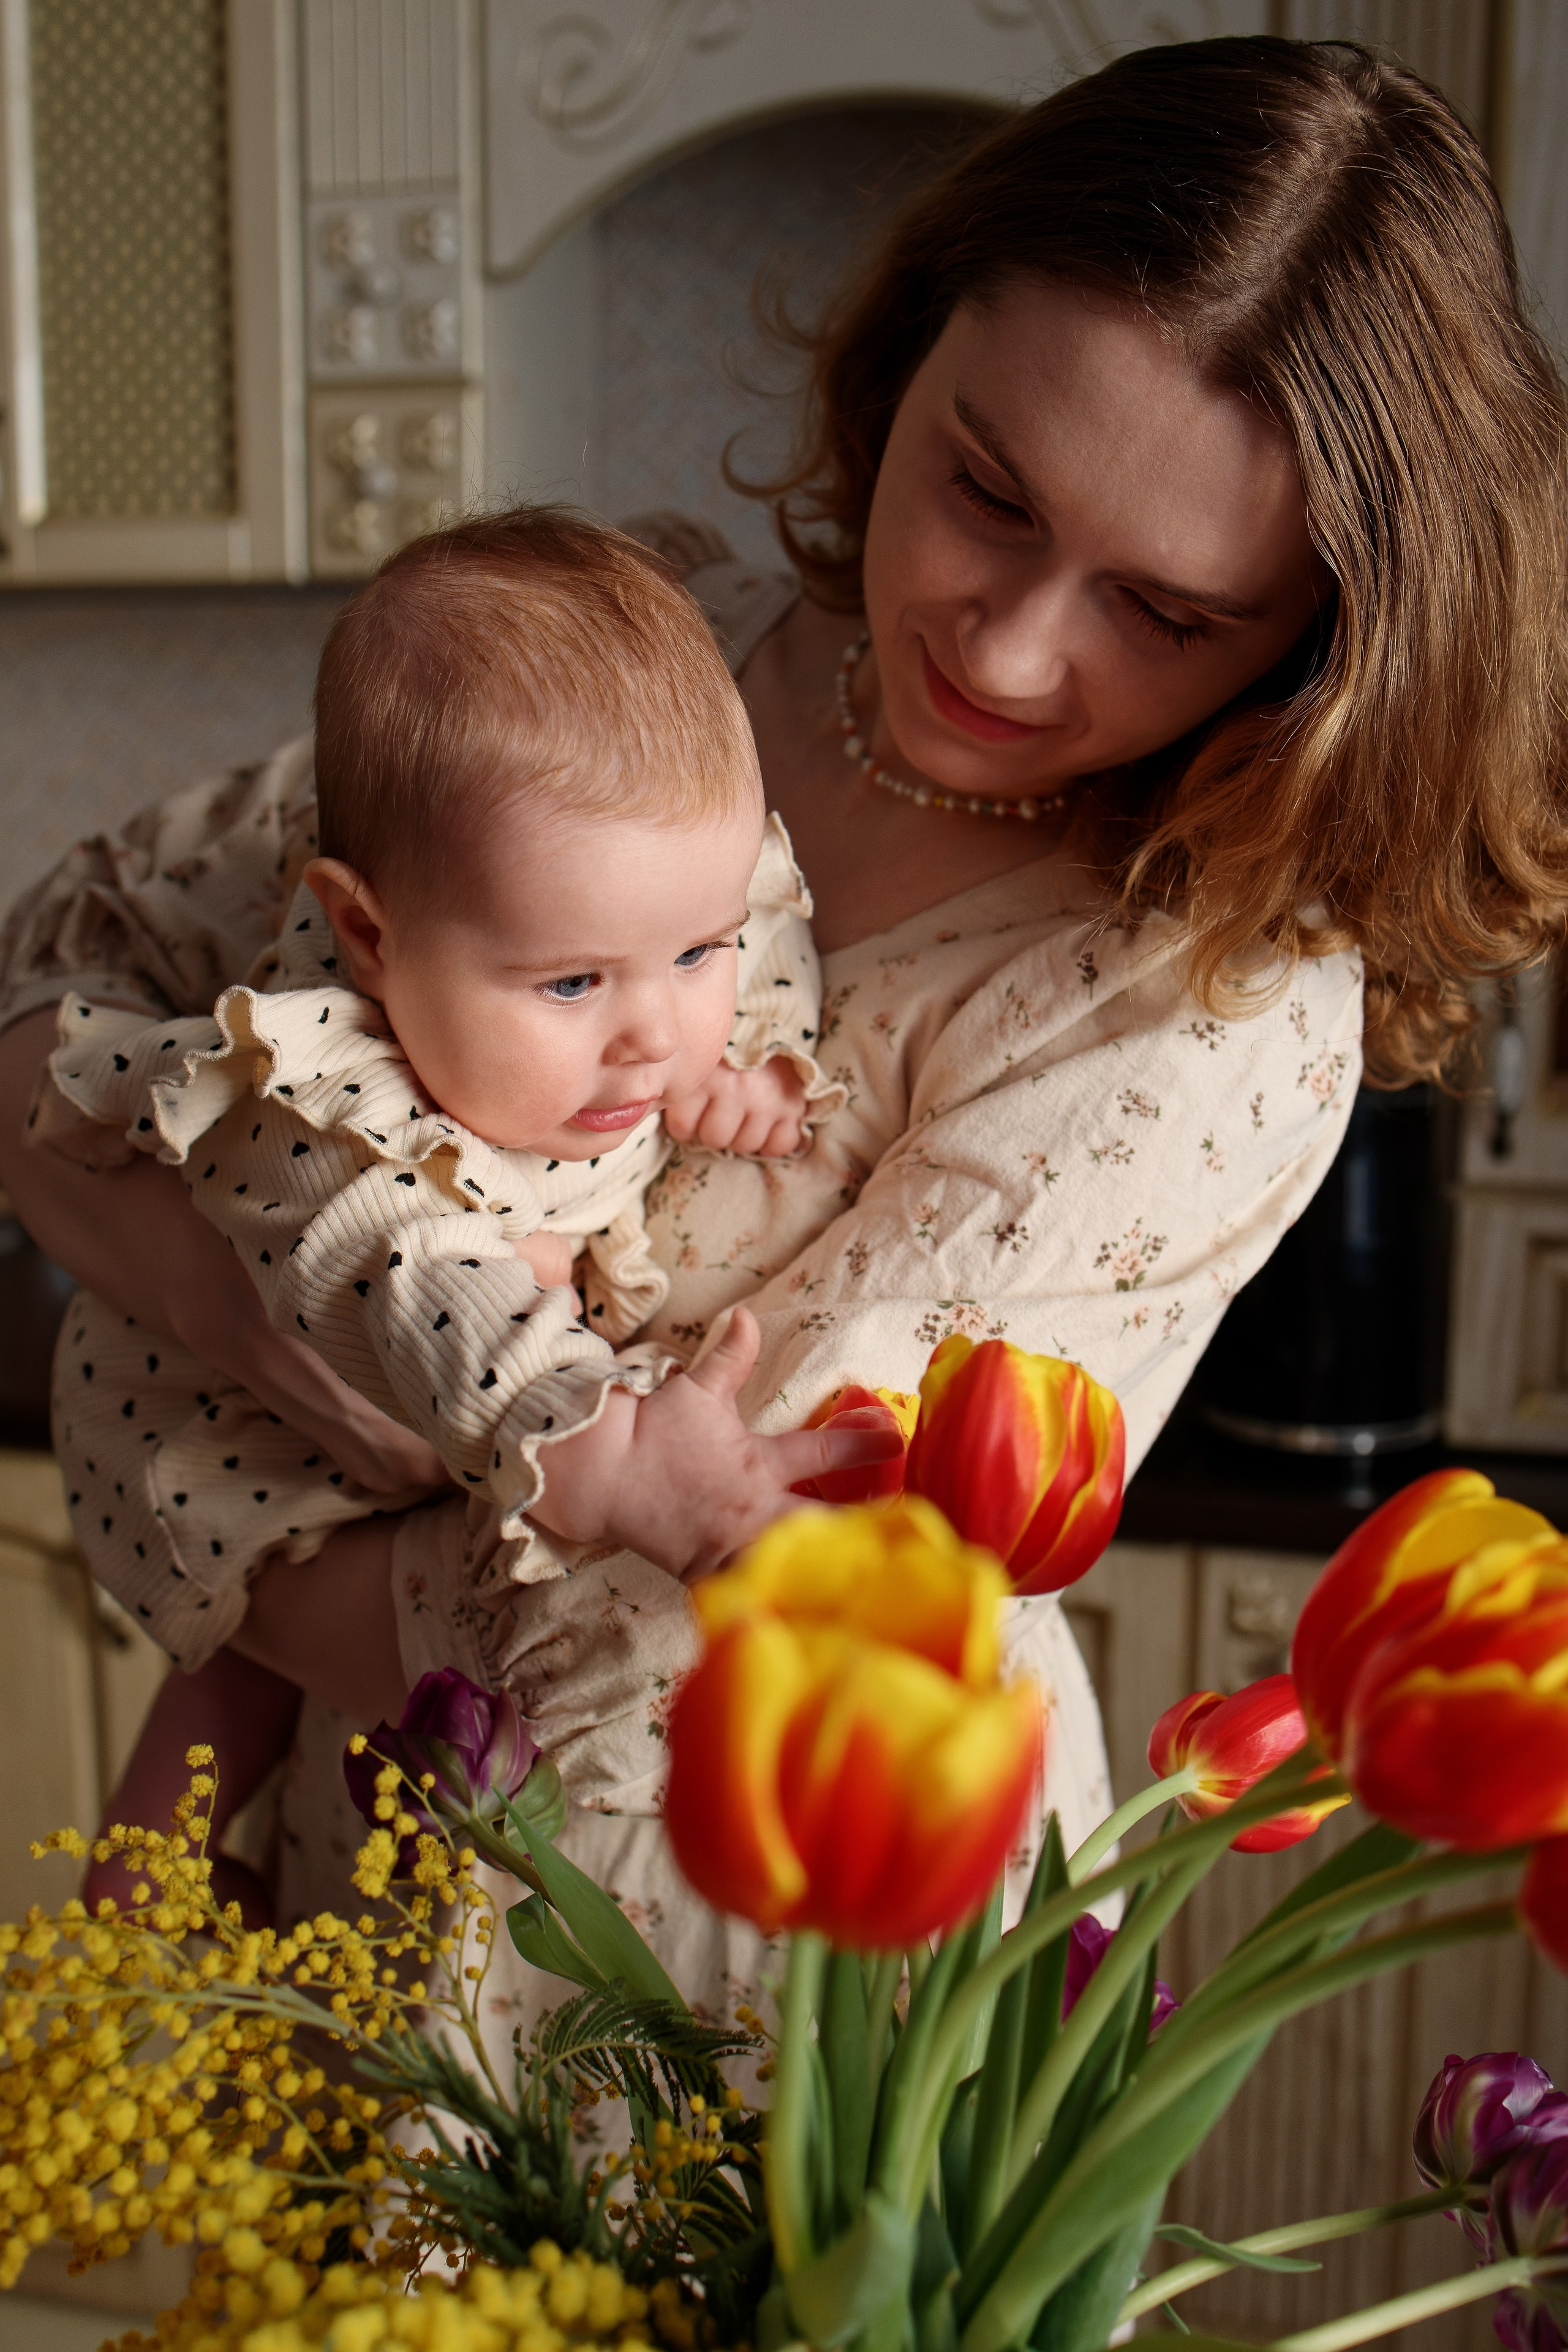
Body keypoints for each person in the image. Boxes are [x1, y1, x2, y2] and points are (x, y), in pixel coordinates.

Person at [1, 37, 1563, 2023]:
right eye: (985, 487)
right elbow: (77, 948)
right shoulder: (645, 637)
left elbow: (705, 1612)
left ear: (1326, 652)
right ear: (906, 348)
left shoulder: (1211, 997)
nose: (1004, 646)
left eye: (1163, 615)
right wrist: (245, 1308)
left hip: (731, 1954)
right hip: (356, 1869)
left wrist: (228, 1338)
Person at [24, 507, 895, 1917]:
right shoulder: (312, 1106)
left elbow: (763, 936)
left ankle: (169, 1873)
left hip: (394, 1401)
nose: (646, 1036)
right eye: (570, 985)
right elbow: (427, 1283)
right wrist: (609, 1454)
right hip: (211, 1417)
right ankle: (144, 1865)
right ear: (370, 933)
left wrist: (739, 1066)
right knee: (261, 1618)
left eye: (693, 953)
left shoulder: (661, 936)